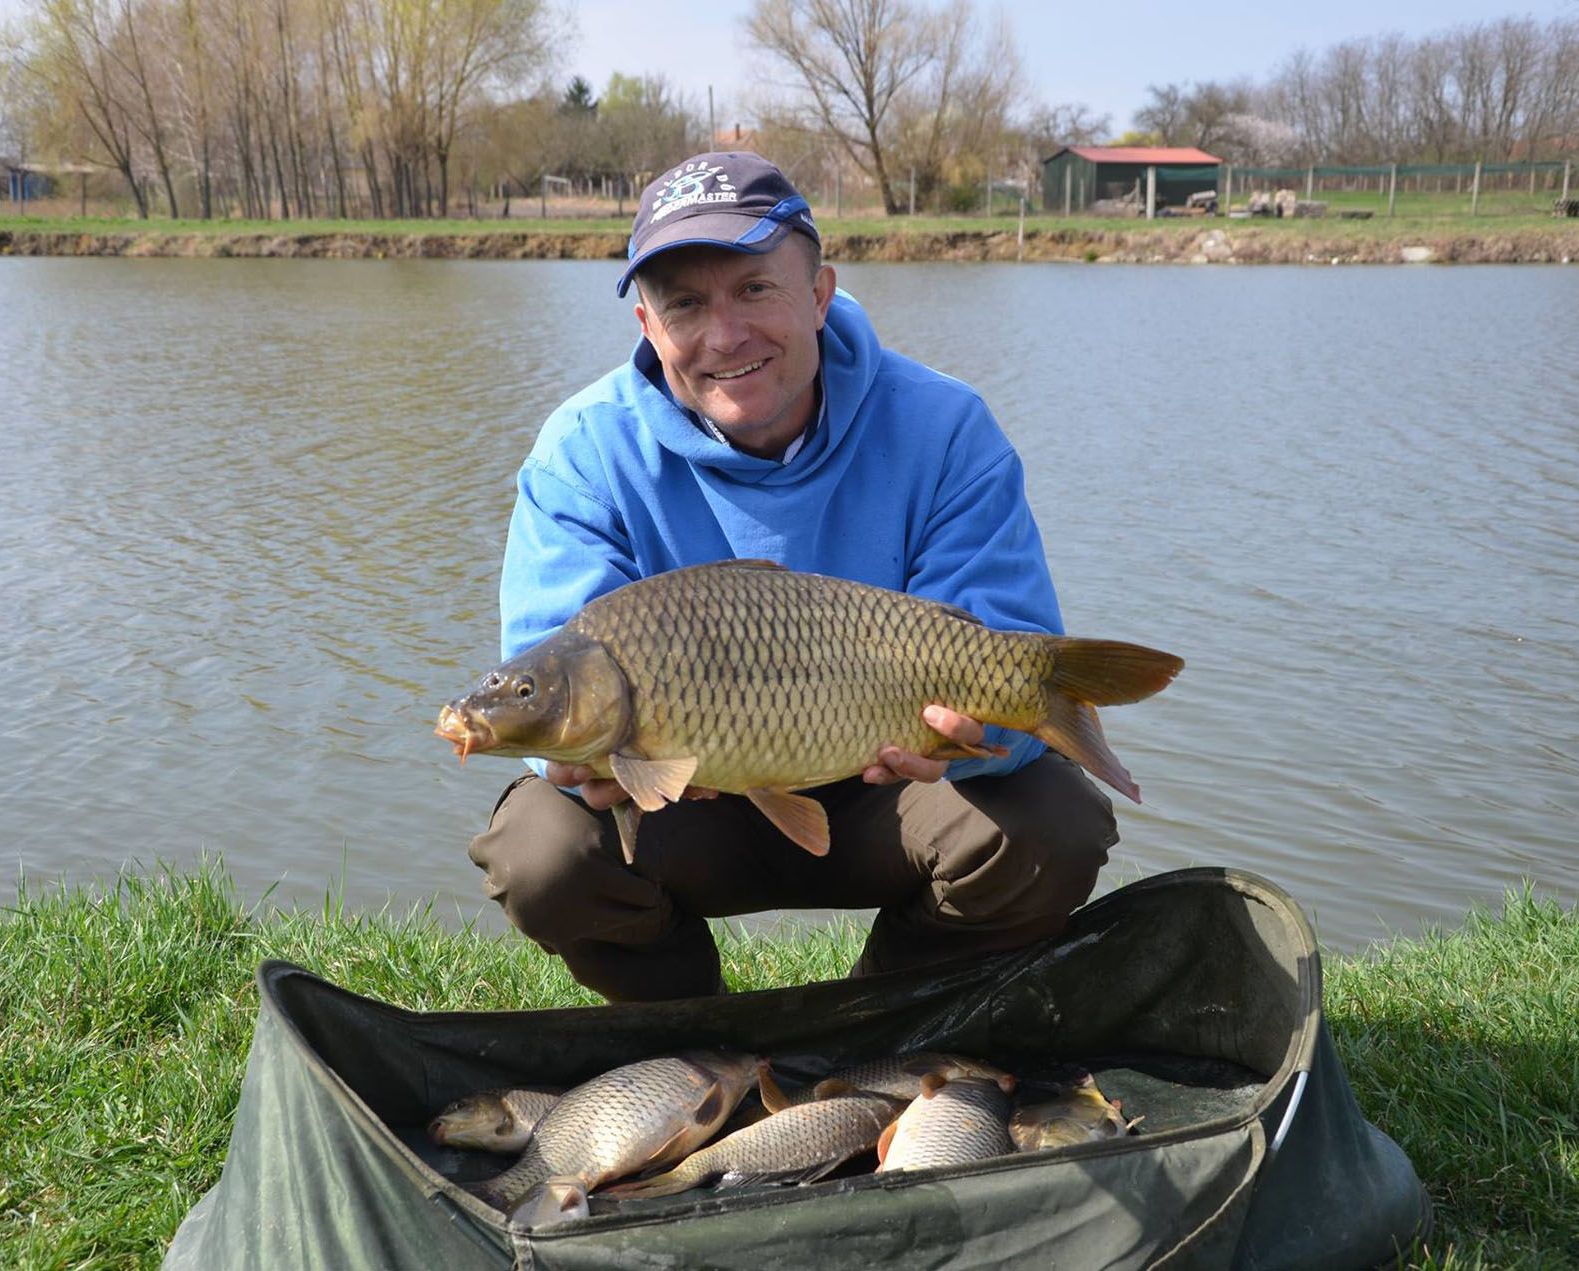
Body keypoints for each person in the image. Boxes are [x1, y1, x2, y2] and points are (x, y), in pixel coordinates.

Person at [468, 152, 1117, 1001]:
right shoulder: (582, 453)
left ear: (819, 293)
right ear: (648, 328)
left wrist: (976, 736)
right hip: (683, 804)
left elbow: (1008, 656)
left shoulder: (944, 427)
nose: (724, 335)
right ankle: (692, 1038)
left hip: (888, 782)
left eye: (753, 289)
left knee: (1053, 822)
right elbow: (549, 686)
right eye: (686, 304)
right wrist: (575, 760)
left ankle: (881, 1018)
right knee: (539, 850)